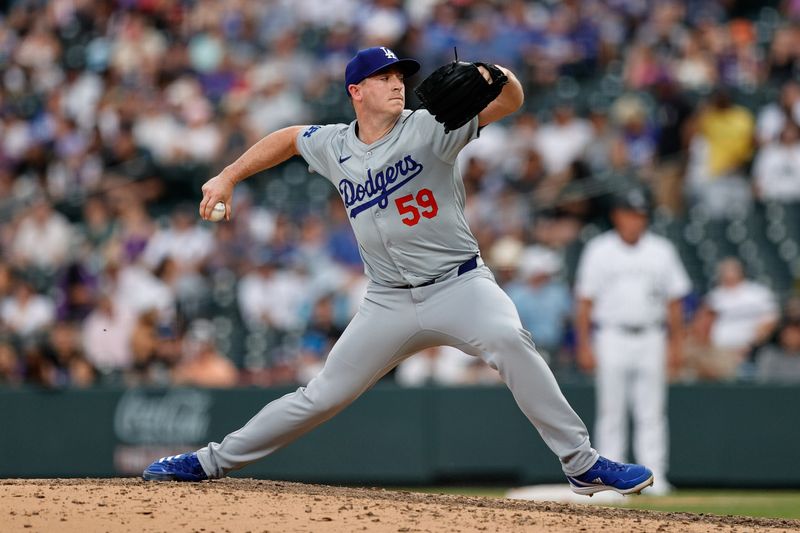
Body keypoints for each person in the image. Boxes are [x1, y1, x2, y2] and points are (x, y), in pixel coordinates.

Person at [142, 46, 655, 495]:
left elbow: (512, 101)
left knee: (511, 341)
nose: (397, 83)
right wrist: (228, 175)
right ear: (356, 91)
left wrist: (495, 73)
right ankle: (208, 461)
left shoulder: (433, 127)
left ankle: (582, 464)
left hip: (460, 285)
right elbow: (290, 137)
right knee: (321, 396)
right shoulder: (335, 144)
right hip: (386, 300)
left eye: (400, 76)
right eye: (385, 78)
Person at [575, 187, 691, 496]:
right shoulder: (599, 249)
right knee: (611, 411)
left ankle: (656, 477)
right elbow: (585, 301)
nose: (636, 221)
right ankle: (612, 480)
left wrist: (676, 345)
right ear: (617, 216)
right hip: (611, 333)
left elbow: (675, 302)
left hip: (652, 334)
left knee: (651, 410)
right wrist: (584, 344)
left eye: (641, 215)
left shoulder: (661, 250)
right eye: (630, 214)